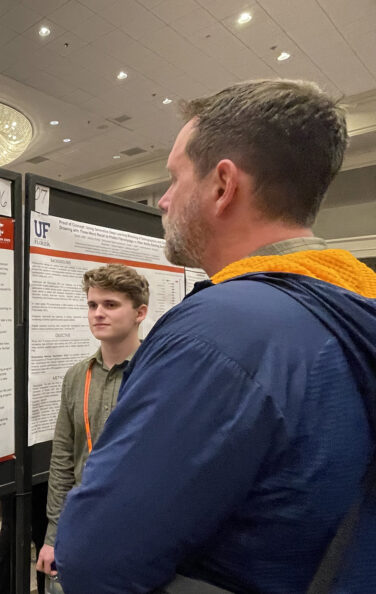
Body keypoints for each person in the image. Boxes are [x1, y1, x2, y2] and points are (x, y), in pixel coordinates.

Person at [56, 80, 376, 592]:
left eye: (175, 177)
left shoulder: (220, 331)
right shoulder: (354, 303)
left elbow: (95, 561)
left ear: (223, 185)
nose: (162, 200)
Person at [36, 264, 149, 588]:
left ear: (139, 313)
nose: (98, 313)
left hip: (137, 530)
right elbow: (62, 460)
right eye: (92, 305)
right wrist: (53, 535)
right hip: (82, 524)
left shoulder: (155, 375)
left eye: (110, 305)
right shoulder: (77, 377)